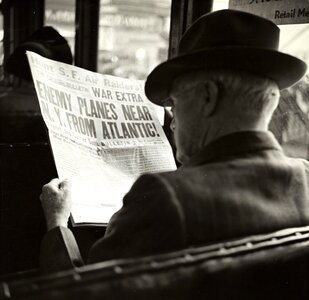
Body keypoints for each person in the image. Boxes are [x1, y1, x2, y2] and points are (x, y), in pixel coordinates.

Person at [39, 9, 309, 274]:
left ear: (208, 97)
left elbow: (79, 292)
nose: (173, 121)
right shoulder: (305, 178)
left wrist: (57, 222)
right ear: (271, 100)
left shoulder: (163, 197)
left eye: (175, 103)